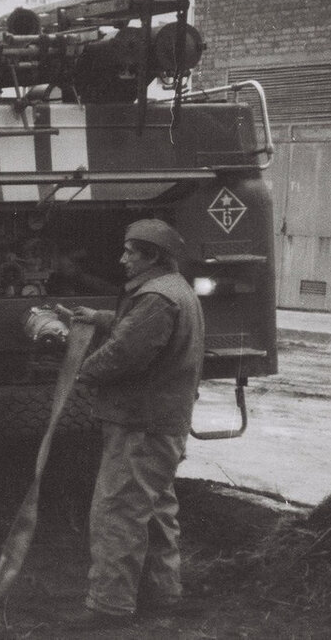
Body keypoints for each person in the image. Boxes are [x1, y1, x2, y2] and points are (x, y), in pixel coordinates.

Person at [65, 218, 206, 628]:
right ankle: (163, 595)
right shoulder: (173, 292)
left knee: (118, 511)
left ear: (153, 257)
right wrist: (97, 317)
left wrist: (79, 373)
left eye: (131, 252)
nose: (122, 259)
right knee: (156, 509)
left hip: (140, 424)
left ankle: (108, 606)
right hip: (162, 423)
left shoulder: (156, 299)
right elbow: (139, 329)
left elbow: (125, 353)